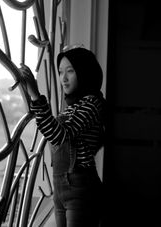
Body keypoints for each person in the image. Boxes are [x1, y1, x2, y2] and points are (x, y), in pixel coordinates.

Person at [20, 46, 106, 227]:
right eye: (60, 72)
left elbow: (59, 136)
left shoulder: (91, 103)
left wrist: (35, 95)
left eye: (70, 71)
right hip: (61, 184)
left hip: (79, 185)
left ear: (84, 72)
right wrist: (33, 97)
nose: (63, 79)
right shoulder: (73, 106)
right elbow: (52, 132)